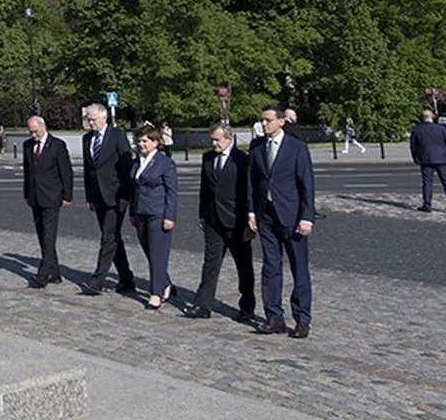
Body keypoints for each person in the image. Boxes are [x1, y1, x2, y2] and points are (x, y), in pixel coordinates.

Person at [248, 105, 315, 338]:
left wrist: (307, 217)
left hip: (292, 215)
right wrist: (251, 212)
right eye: (262, 120)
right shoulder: (257, 147)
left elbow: (306, 183)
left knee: (299, 268)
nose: (264, 124)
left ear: (281, 122)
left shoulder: (296, 148)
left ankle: (302, 319)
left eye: (268, 120)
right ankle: (274, 317)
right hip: (265, 215)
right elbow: (252, 182)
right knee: (270, 267)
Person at [182, 124, 255, 323]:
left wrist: (250, 221)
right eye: (212, 140)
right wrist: (202, 215)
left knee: (243, 265)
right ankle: (203, 304)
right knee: (210, 263)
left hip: (236, 220)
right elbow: (205, 189)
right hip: (213, 220)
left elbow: (248, 192)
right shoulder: (208, 157)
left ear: (229, 139)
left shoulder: (242, 160)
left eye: (217, 140)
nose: (214, 143)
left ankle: (247, 306)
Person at [78, 104, 137, 296]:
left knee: (108, 238)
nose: (90, 122)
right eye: (89, 119)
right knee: (112, 237)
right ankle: (126, 278)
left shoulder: (117, 136)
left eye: (93, 119)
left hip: (115, 195)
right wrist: (89, 196)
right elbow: (89, 171)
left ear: (104, 118)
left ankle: (98, 280)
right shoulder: (87, 139)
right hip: (98, 196)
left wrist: (125, 196)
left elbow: (127, 167)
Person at [21, 115, 73, 290]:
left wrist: (67, 196)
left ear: (43, 127)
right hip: (35, 196)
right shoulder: (27, 146)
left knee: (49, 234)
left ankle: (42, 275)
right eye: (31, 132)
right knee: (42, 234)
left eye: (35, 131)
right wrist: (26, 193)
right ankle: (55, 272)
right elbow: (27, 172)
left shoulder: (57, 146)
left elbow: (66, 172)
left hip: (52, 196)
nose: (33, 135)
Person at [129, 125, 177, 310]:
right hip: (140, 212)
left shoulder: (165, 163)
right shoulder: (137, 162)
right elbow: (134, 188)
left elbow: (172, 192)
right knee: (149, 251)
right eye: (139, 141)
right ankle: (165, 283)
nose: (141, 144)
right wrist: (132, 212)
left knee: (158, 253)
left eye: (145, 141)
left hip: (158, 212)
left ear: (155, 142)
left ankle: (156, 293)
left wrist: (169, 216)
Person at [410, 109, 446, 214]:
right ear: (432, 117)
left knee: (427, 183)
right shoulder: (440, 129)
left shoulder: (416, 129)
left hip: (425, 159)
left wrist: (415, 158)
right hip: (442, 158)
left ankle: (427, 205)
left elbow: (413, 146)